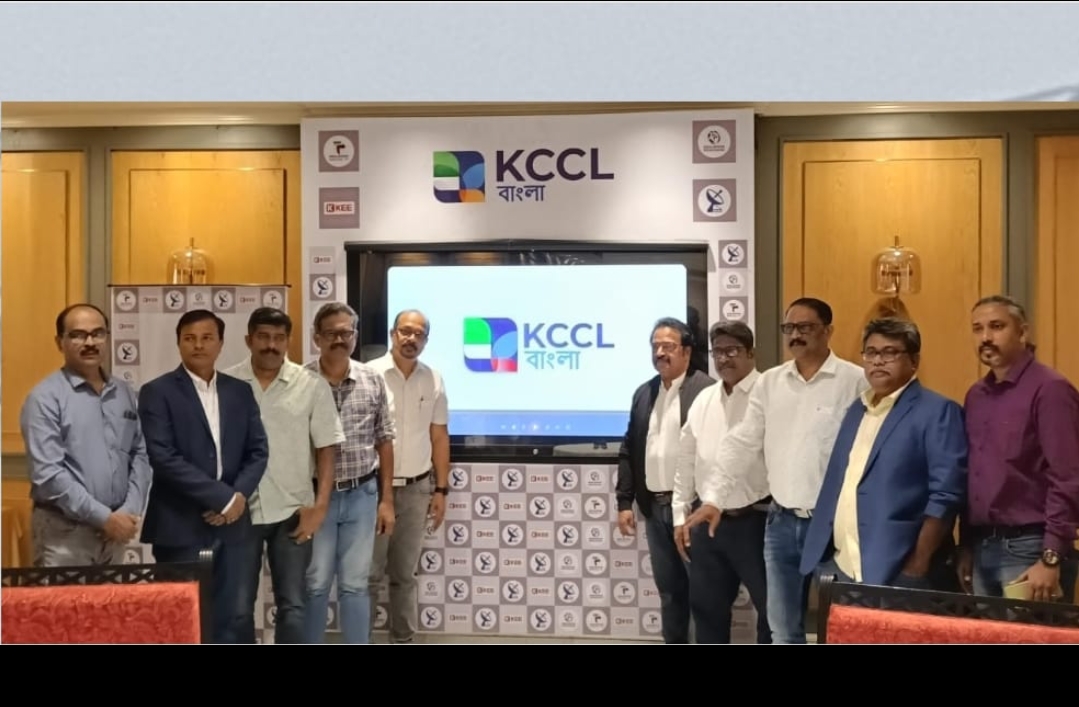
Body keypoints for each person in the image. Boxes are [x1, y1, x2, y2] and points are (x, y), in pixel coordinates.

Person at [684, 297, 867, 644]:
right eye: (789, 328)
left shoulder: (855, 381)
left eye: (805, 327)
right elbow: (741, 444)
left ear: (828, 331)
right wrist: (714, 499)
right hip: (780, 524)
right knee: (781, 628)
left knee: (842, 626)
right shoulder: (770, 383)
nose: (795, 335)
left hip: (834, 525)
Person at [801, 318, 967, 591]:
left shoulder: (937, 411)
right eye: (871, 353)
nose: (878, 361)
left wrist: (918, 562)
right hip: (841, 565)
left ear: (913, 361)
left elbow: (946, 495)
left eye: (889, 353)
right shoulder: (857, 409)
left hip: (899, 570)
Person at [137, 309, 269, 644]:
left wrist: (236, 498)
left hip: (234, 526)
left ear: (221, 343)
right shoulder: (157, 391)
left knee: (236, 615)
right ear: (179, 343)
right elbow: (163, 457)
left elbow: (258, 451)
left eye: (207, 338)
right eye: (190, 338)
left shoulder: (240, 391)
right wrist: (222, 499)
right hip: (180, 524)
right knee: (181, 617)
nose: (198, 345)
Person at [224, 307, 345, 644]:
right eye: (263, 337)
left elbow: (326, 450)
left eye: (279, 338)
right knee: (236, 608)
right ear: (248, 340)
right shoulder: (227, 385)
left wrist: (320, 507)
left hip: (294, 512)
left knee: (293, 606)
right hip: (240, 511)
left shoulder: (312, 386)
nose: (271, 345)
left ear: (288, 341)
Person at [959, 295, 1079, 603]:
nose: (985, 337)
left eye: (997, 326)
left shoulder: (1050, 389)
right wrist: (967, 547)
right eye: (977, 329)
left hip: (1031, 547)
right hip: (983, 546)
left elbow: (1068, 476)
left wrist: (1051, 556)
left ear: (1022, 332)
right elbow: (974, 476)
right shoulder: (976, 395)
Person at [21, 303, 152, 567]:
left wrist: (127, 512)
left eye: (97, 333)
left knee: (112, 597)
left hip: (116, 534)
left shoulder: (123, 392)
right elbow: (48, 474)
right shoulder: (45, 398)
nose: (90, 342)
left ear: (107, 337)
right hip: (65, 535)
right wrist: (103, 518)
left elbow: (139, 454)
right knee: (65, 597)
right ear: (59, 342)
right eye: (78, 335)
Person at [615, 317, 716, 644]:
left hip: (692, 511)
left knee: (703, 592)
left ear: (686, 351)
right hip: (655, 510)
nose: (660, 353)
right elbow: (629, 448)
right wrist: (624, 501)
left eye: (668, 346)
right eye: (655, 346)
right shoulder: (644, 393)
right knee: (670, 592)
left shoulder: (706, 391)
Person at [303, 302, 396, 644]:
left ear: (355, 337)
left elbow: (384, 440)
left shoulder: (372, 379)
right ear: (316, 338)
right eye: (331, 333)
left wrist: (387, 500)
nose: (339, 340)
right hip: (316, 498)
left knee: (356, 584)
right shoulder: (300, 380)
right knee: (315, 583)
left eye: (346, 333)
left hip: (362, 495)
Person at [673, 321, 771, 644]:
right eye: (718, 352)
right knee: (707, 612)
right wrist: (680, 515)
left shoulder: (769, 393)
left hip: (757, 521)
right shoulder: (704, 399)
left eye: (732, 350)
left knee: (772, 614)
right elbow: (686, 459)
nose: (724, 359)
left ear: (751, 353)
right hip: (708, 525)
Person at [367, 309, 450, 644]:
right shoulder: (369, 374)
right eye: (405, 331)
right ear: (393, 334)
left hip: (417, 489)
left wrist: (441, 490)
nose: (411, 338)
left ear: (426, 340)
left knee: (405, 575)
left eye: (419, 334)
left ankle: (403, 640)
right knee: (368, 575)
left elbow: (439, 436)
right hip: (373, 490)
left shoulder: (434, 379)